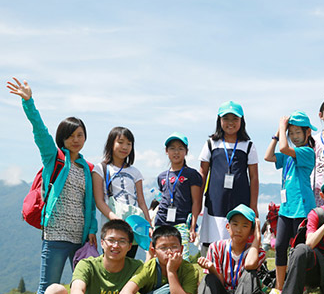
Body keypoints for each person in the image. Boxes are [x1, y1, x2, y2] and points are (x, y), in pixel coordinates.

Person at [7, 78, 97, 294]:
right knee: (48, 288)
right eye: (71, 135)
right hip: (56, 236)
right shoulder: (53, 157)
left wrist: (92, 230)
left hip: (80, 239)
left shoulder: (88, 167)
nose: (76, 140)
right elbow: (39, 130)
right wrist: (29, 102)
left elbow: (90, 203)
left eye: (80, 135)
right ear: (62, 138)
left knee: (83, 288)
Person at [191, 204, 266, 294]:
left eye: (245, 226)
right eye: (235, 224)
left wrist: (257, 237)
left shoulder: (257, 251)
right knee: (208, 279)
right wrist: (212, 269)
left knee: (249, 273)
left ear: (251, 230)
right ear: (228, 227)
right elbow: (219, 285)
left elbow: (250, 264)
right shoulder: (216, 248)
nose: (238, 229)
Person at [264, 112, 316, 294]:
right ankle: (278, 287)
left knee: (298, 250)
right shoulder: (287, 154)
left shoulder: (306, 152)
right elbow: (268, 156)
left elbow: (284, 148)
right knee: (279, 246)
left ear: (307, 132)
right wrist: (277, 134)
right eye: (291, 132)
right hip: (286, 208)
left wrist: (282, 125)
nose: (294, 136)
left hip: (302, 208)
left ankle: (298, 285)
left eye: (297, 132)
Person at [198, 101, 259, 257]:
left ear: (241, 121)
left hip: (241, 202)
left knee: (239, 243)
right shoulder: (211, 143)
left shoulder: (248, 145)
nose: (230, 123)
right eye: (226, 118)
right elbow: (203, 173)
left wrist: (253, 205)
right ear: (219, 121)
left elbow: (254, 177)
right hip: (215, 202)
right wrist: (197, 202)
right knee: (213, 241)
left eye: (235, 119)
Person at [92, 127, 151, 257]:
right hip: (111, 226)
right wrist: (115, 219)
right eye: (120, 142)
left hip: (133, 226)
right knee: (112, 264)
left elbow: (141, 201)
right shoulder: (101, 169)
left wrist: (148, 224)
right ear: (111, 143)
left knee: (129, 263)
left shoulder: (135, 172)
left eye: (129, 144)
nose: (125, 147)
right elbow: (99, 201)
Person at [154, 132, 203, 261]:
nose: (176, 152)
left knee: (182, 258)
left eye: (180, 149)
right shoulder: (161, 176)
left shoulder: (192, 174)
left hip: (181, 221)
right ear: (166, 151)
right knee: (160, 257)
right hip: (161, 220)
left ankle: (183, 281)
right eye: (172, 148)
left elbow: (196, 202)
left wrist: (193, 226)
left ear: (186, 151)